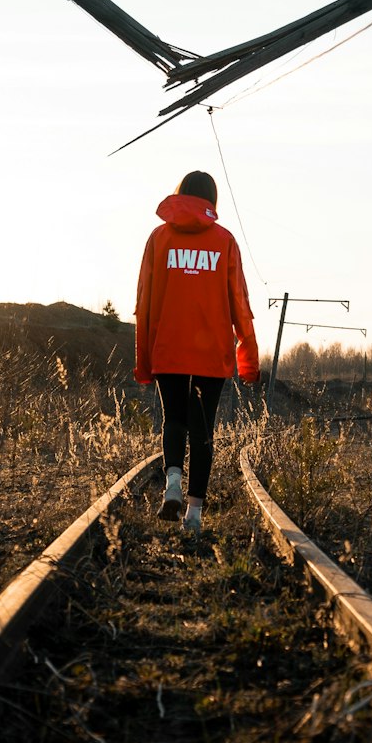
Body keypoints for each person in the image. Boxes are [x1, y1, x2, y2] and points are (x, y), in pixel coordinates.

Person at [134, 171, 260, 534]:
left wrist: (144, 361)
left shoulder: (159, 238)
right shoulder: (224, 242)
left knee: (173, 418)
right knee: (203, 430)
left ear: (179, 194)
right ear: (212, 201)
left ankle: (172, 482)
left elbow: (144, 301)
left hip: (168, 348)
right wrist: (248, 361)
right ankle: (194, 516)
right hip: (211, 354)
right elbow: (240, 303)